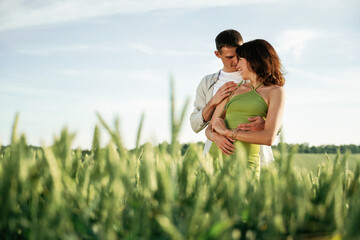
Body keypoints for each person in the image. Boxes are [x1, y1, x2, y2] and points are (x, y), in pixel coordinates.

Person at [190, 30, 274, 164]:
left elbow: (276, 123)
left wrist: (266, 124)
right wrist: (213, 102)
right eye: (229, 57)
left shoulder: (258, 80)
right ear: (218, 54)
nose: (235, 61)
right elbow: (196, 125)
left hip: (254, 156)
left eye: (239, 55)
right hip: (218, 156)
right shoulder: (208, 82)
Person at [205, 39, 285, 175]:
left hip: (247, 165)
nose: (237, 65)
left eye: (240, 60)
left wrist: (228, 133)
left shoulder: (275, 92)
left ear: (253, 60)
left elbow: (269, 138)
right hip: (215, 161)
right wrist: (218, 137)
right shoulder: (233, 89)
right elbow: (210, 128)